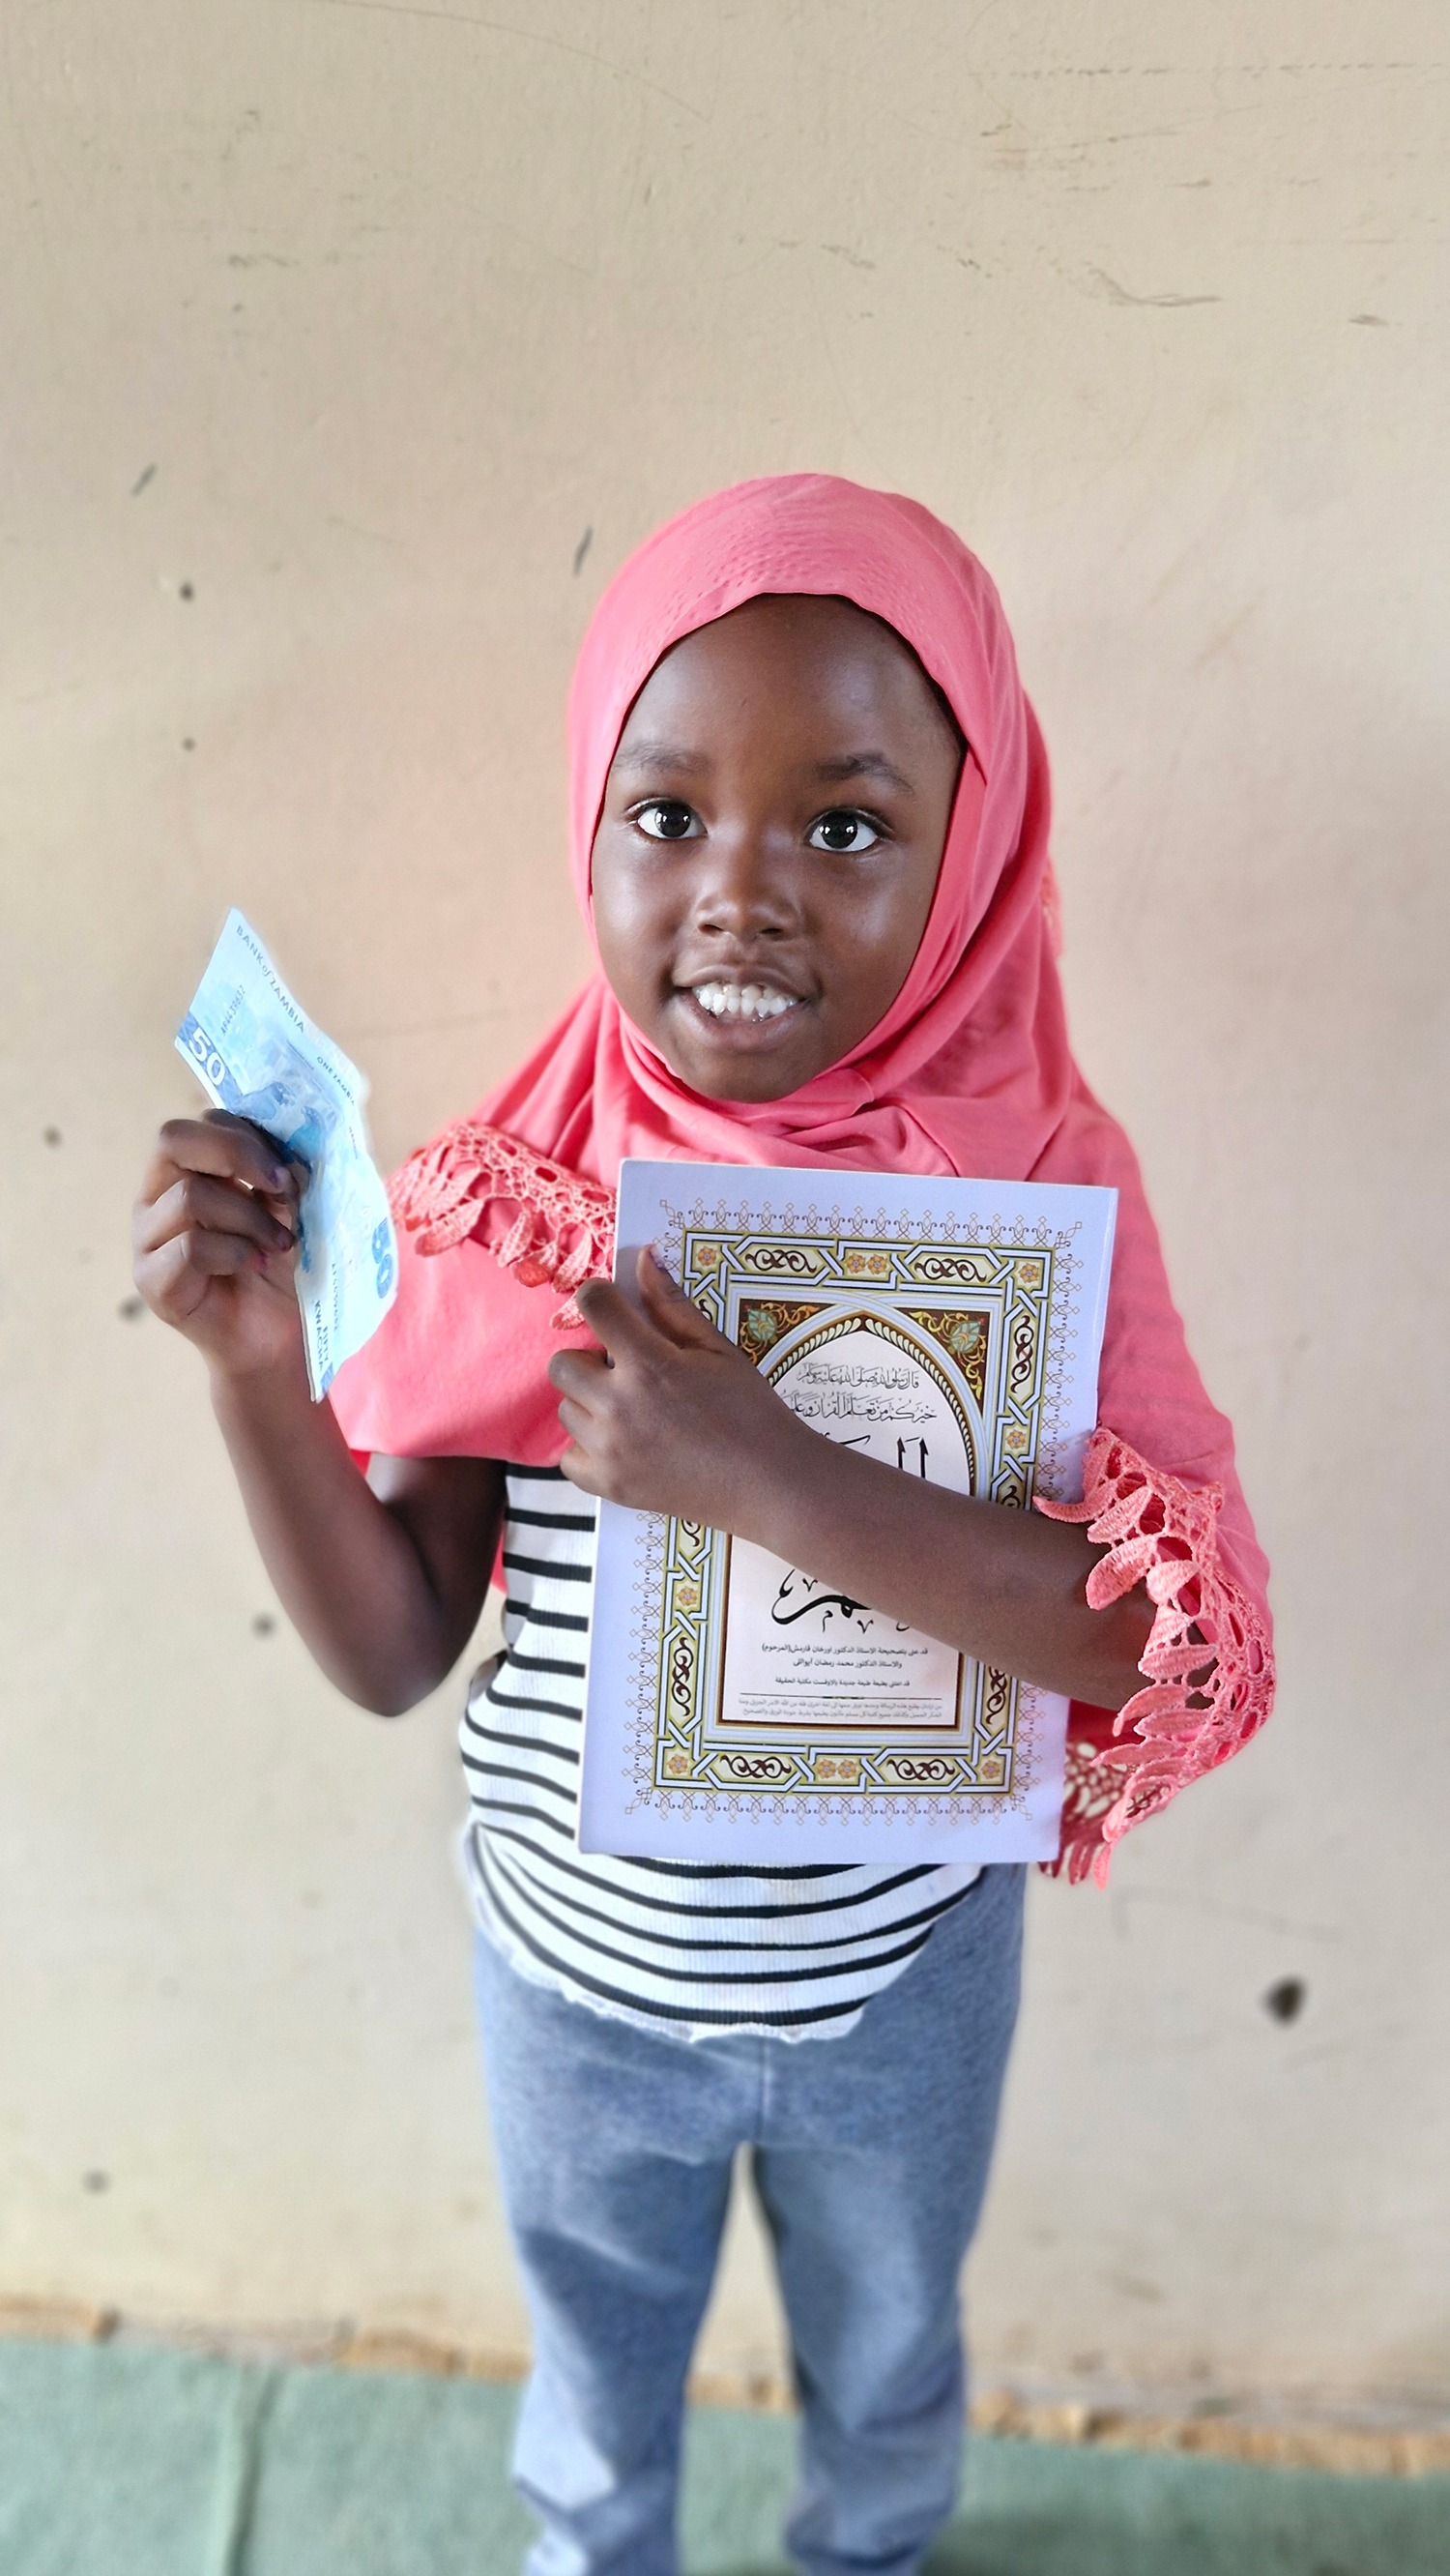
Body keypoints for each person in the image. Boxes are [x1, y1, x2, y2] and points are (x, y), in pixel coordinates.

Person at [131, 476, 1274, 2576]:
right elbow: (394, 1649)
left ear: (975, 847)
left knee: (889, 2352)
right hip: (569, 1989)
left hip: (905, 1986)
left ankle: (868, 2550)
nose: (740, 897)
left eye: (844, 826)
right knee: (593, 2376)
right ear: (589, 822)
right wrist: (257, 1371)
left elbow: (1157, 1640)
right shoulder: (523, 1189)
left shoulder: (1047, 1193)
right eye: (667, 815)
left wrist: (766, 1472)